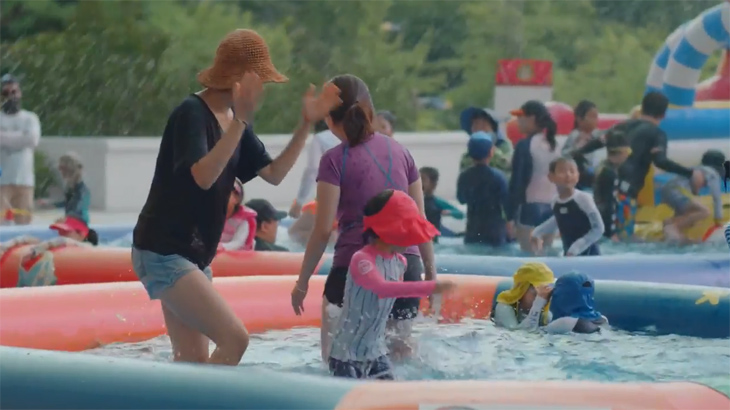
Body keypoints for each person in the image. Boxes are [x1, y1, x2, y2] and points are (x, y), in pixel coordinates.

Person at [131, 29, 341, 366]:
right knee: (235, 339)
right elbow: (202, 176)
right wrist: (241, 120)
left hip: (192, 256)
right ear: (240, 79)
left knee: (192, 363)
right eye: (260, 82)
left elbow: (273, 174)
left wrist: (305, 125)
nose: (262, 93)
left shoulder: (233, 120)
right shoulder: (192, 113)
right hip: (164, 250)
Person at [290, 74, 438, 363]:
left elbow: (322, 231)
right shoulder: (402, 152)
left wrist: (302, 282)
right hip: (406, 269)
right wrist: (430, 275)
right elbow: (420, 220)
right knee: (400, 357)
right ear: (370, 111)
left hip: (356, 270)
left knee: (337, 360)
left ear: (330, 122)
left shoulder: (334, 159)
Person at [328, 190, 455, 380]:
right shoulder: (362, 260)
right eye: (407, 230)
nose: (413, 237)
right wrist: (429, 287)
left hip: (376, 352)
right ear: (388, 229)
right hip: (345, 355)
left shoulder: (399, 262)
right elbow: (382, 289)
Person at [571, 92, 702, 238]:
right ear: (663, 115)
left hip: (603, 186)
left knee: (600, 233)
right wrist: (690, 173)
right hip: (625, 194)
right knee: (620, 239)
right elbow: (661, 161)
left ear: (643, 108)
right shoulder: (657, 134)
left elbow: (599, 141)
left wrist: (578, 152)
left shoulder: (622, 126)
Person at [507, 100, 561, 254]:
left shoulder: (525, 145)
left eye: (520, 117)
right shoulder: (554, 145)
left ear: (531, 119)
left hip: (529, 207)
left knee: (529, 255)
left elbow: (518, 182)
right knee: (547, 255)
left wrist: (510, 215)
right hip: (552, 208)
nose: (518, 122)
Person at [531, 157, 604, 256]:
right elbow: (559, 220)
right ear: (551, 177)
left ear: (578, 175)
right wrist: (537, 232)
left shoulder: (583, 199)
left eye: (572, 171)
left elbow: (598, 229)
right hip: (569, 255)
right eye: (562, 171)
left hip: (589, 256)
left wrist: (576, 247)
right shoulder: (555, 201)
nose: (568, 175)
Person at [0, 74, 41, 225]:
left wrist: (5, 137)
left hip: (25, 181)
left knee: (24, 224)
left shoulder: (30, 118)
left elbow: (32, 140)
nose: (11, 97)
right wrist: (20, 137)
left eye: (14, 92)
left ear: (20, 93)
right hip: (2, 182)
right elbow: (25, 139)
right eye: (6, 93)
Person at [456, 132, 509, 247]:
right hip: (495, 230)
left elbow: (461, 199)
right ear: (491, 152)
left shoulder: (464, 176)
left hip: (473, 229)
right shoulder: (499, 177)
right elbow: (507, 203)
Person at [661, 150, 725, 243]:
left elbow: (693, 189)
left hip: (667, 190)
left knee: (690, 214)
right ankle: (674, 226)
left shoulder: (697, 169)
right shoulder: (713, 174)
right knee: (704, 211)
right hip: (677, 191)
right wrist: (718, 221)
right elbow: (716, 199)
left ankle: (671, 223)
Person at [289, 120, 340, 218]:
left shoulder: (320, 138)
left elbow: (312, 169)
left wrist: (299, 201)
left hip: (332, 193)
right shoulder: (352, 135)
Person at [593, 130, 632, 240]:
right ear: (621, 151)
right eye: (627, 152)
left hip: (599, 222)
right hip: (605, 227)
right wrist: (611, 232)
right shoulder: (609, 173)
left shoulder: (603, 167)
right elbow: (609, 204)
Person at [493, 262, 554, 331]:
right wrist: (538, 304)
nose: (542, 297)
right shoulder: (504, 308)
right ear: (522, 289)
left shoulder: (544, 314)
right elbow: (517, 335)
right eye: (536, 294)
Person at [37, 152, 91, 224]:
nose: (60, 171)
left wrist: (67, 218)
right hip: (72, 222)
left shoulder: (82, 190)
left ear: (69, 169)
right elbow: (67, 203)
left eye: (62, 168)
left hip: (80, 224)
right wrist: (51, 205)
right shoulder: (71, 188)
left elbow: (78, 208)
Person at [458, 106, 513, 176]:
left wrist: (490, 150)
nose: (478, 130)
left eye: (483, 126)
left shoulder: (504, 146)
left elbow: (508, 165)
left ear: (493, 129)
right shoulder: (467, 156)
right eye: (475, 126)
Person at [562, 100, 602, 190]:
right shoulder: (574, 136)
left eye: (596, 116)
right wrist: (578, 147)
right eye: (592, 116)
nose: (595, 120)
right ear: (580, 119)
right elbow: (564, 156)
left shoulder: (598, 135)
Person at [420, 166, 464, 243]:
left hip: (432, 240)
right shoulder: (413, 200)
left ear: (433, 184)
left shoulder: (437, 202)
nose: (419, 182)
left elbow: (460, 214)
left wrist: (448, 212)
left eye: (423, 179)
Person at [218, 178, 257, 252]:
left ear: (237, 198)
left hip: (237, 257)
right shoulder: (210, 217)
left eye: (225, 194)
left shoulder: (242, 220)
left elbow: (238, 243)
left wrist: (221, 246)